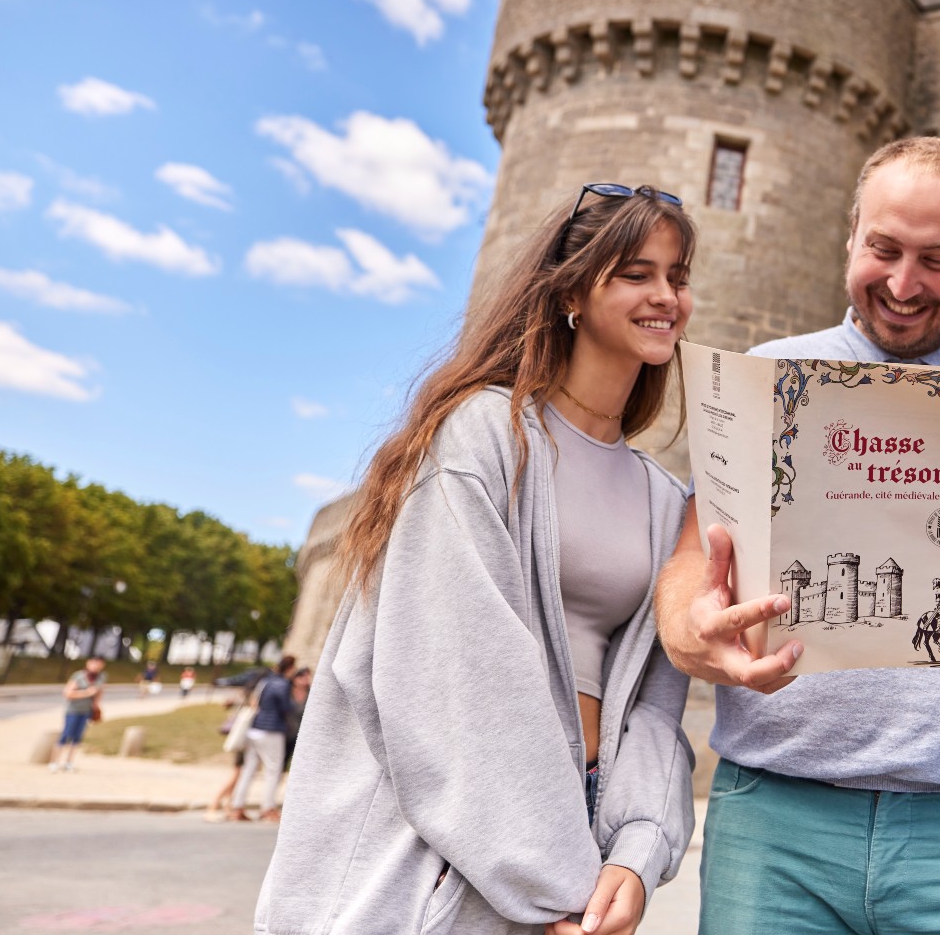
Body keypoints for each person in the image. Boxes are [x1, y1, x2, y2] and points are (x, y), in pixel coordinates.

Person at [659, 136, 940, 935]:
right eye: (884, 250)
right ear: (851, 238)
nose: (904, 285)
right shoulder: (767, 373)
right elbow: (692, 559)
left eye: (936, 259)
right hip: (775, 822)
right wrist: (689, 630)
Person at [255, 183, 699, 935]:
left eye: (678, 277)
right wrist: (557, 878)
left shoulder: (666, 499)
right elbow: (454, 680)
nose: (666, 296)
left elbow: (657, 707)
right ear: (571, 293)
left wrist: (633, 851)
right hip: (446, 865)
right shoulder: (482, 436)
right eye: (636, 273)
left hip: (571, 857)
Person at [229, 655, 296, 822]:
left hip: (255, 728)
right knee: (273, 770)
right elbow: (285, 707)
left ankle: (237, 806)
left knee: (249, 769)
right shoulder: (282, 684)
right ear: (290, 668)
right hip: (272, 729)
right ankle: (268, 808)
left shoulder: (265, 681)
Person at [51, 656, 107, 772]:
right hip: (73, 710)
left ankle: (69, 763)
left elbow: (100, 692)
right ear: (88, 663)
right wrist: (86, 693)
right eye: (94, 663)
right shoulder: (79, 676)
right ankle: (55, 762)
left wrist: (96, 705)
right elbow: (67, 693)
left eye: (99, 664)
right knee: (65, 736)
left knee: (77, 737)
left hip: (86, 711)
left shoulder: (101, 677)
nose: (96, 666)